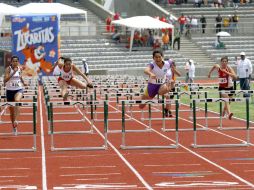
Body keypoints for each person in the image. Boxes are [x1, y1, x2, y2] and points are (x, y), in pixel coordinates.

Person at [139, 50, 172, 115]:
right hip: (151, 87)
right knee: (141, 106)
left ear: (162, 57)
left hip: (161, 85)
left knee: (167, 94)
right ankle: (146, 99)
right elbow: (146, 70)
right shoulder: (152, 64)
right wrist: (150, 73)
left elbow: (172, 63)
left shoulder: (167, 64)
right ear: (153, 58)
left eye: (159, 57)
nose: (158, 59)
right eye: (156, 57)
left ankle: (167, 110)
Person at [4, 55, 27, 134]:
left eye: (16, 61)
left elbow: (20, 77)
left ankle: (16, 120)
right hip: (9, 90)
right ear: (11, 62)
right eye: (13, 61)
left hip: (18, 89)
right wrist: (13, 73)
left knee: (17, 101)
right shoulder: (8, 69)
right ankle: (14, 126)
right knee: (11, 111)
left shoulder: (20, 68)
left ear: (18, 62)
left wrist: (24, 83)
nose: (15, 62)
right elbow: (5, 80)